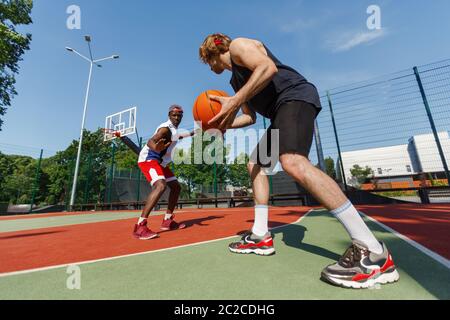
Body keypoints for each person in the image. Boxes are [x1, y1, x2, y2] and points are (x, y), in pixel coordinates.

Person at [198, 33, 399, 288]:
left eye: (207, 62)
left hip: (294, 97)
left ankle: (372, 252)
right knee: (256, 164)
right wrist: (221, 125)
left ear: (211, 55)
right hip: (280, 112)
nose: (209, 67)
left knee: (292, 161)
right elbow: (248, 117)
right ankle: (260, 235)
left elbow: (267, 67)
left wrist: (234, 101)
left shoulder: (239, 46)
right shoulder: (236, 82)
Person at [118, 105, 194, 240]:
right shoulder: (165, 129)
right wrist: (156, 147)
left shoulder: (175, 130)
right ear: (169, 115)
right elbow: (151, 141)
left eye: (179, 115)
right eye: (174, 115)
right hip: (149, 159)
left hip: (160, 162)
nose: (177, 118)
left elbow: (180, 135)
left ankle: (168, 220)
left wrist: (196, 132)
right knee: (160, 185)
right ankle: (140, 226)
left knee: (176, 187)